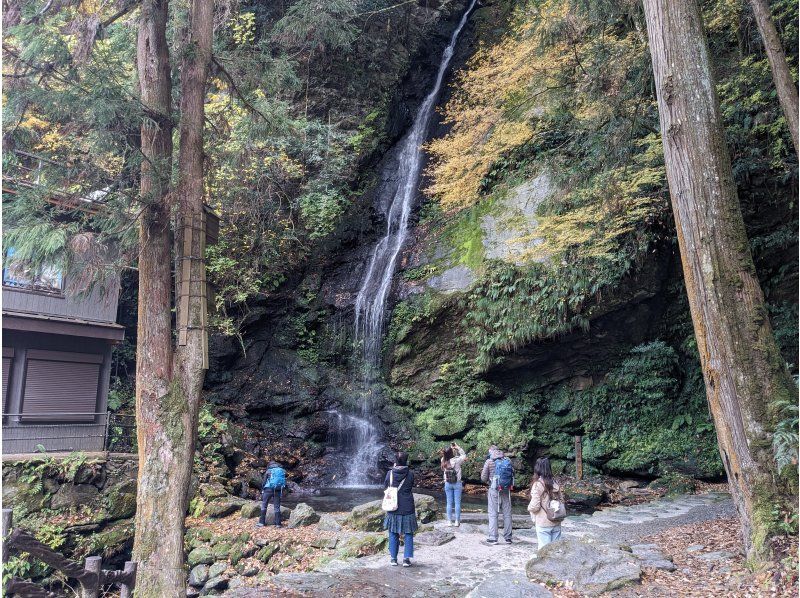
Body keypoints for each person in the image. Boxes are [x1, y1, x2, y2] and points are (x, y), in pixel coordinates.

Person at [383, 451, 418, 567]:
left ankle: (393, 559)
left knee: (393, 532)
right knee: (408, 533)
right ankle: (406, 559)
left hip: (393, 506)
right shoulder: (411, 474)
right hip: (407, 507)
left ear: (395, 461)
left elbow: (386, 486)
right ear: (406, 461)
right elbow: (411, 485)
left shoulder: (390, 474)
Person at [480, 445, 513, 545]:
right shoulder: (508, 460)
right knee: (507, 513)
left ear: (491, 451)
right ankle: (508, 538)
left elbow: (483, 478)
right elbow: (512, 474)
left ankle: (493, 538)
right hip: (506, 490)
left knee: (493, 513)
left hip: (494, 489)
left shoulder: (489, 461)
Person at [528, 456, 563, 547]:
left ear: (537, 468)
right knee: (555, 549)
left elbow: (535, 506)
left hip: (543, 522)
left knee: (544, 551)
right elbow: (562, 500)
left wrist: (529, 508)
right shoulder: (555, 483)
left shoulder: (537, 485)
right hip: (556, 520)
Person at [441, 442, 467, 527]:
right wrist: (458, 447)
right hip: (457, 483)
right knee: (457, 503)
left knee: (449, 503)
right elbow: (464, 455)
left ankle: (449, 521)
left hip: (447, 483)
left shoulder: (443, 460)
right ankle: (456, 521)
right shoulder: (457, 460)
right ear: (452, 453)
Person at [258, 461, 286, 528]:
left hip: (268, 489)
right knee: (277, 507)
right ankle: (278, 524)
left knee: (264, 505)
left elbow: (264, 481)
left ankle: (261, 523)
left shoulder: (268, 471)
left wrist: (262, 489)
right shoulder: (282, 470)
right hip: (278, 490)